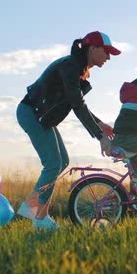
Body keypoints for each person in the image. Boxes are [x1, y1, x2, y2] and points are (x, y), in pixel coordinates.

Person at [16, 31, 120, 229]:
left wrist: (100, 124)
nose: (108, 57)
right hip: (31, 113)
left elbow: (77, 103)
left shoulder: (78, 68)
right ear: (92, 49)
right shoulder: (70, 66)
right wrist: (100, 137)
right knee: (53, 163)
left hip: (41, 117)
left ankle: (32, 209)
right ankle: (38, 217)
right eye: (106, 52)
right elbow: (77, 104)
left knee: (62, 161)